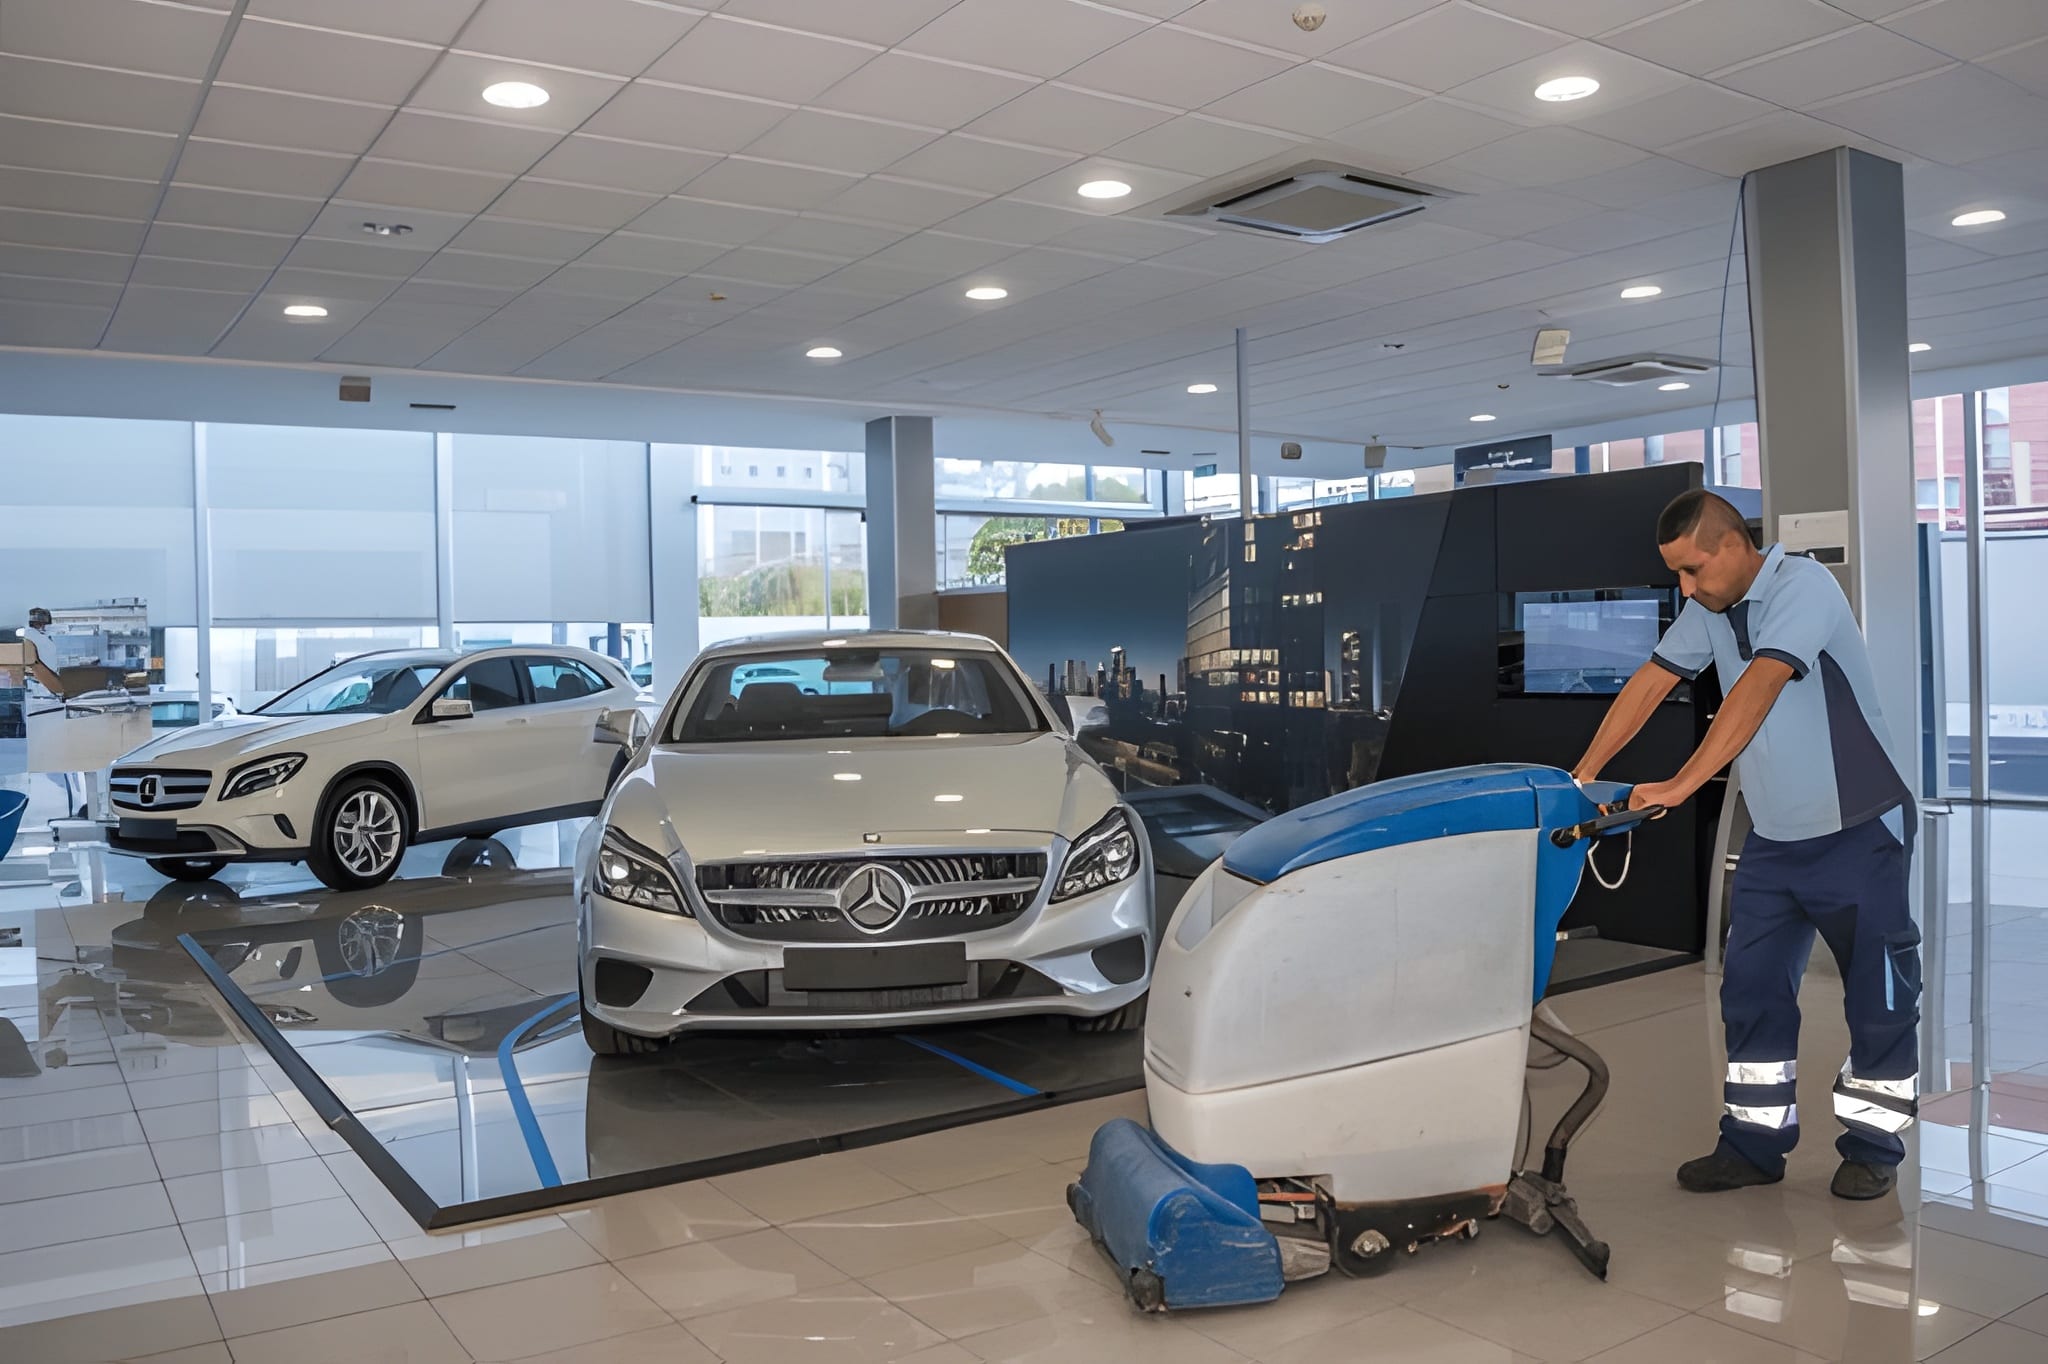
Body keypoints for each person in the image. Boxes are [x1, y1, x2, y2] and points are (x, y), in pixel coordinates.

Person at [1573, 489, 1919, 1201]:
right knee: (1751, 993)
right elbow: (1652, 680)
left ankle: (1873, 1145)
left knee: (1879, 998)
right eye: (1677, 574)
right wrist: (1583, 772)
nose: (1685, 587)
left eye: (1693, 570)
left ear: (1733, 546)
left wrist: (1681, 783)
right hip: (1775, 841)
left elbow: (1759, 686)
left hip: (1860, 832)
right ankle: (1753, 1146)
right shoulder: (1711, 609)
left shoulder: (1804, 587)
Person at [18, 608, 65, 697]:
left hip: (36, 680)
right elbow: (53, 666)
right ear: (43, 624)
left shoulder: (26, 635)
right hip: (46, 684)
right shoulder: (44, 641)